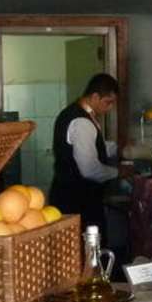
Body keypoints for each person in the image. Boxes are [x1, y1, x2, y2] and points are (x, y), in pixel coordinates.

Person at [50, 74, 132, 234]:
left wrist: (119, 149)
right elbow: (90, 169)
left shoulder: (75, 113)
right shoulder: (82, 122)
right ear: (95, 97)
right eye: (108, 102)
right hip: (77, 202)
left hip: (69, 197)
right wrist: (119, 172)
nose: (110, 108)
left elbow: (93, 146)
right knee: (87, 245)